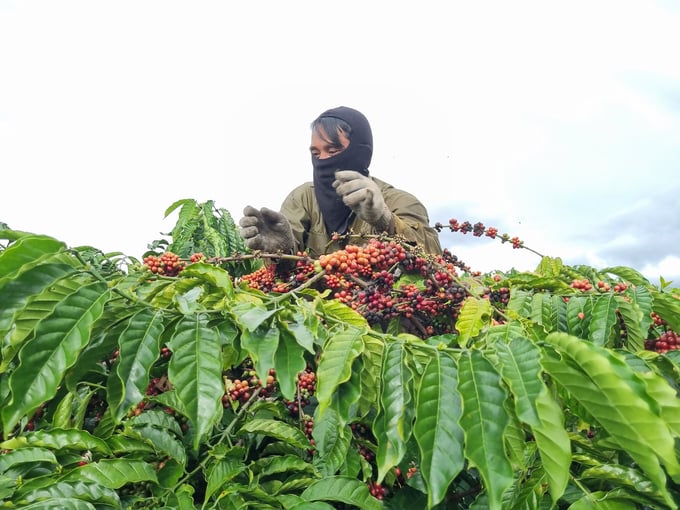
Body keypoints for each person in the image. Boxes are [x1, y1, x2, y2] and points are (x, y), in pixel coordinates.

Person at [238, 106, 442, 259]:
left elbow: (433, 259)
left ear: (361, 152)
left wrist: (384, 220)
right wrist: (281, 251)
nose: (323, 160)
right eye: (316, 153)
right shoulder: (302, 199)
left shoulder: (400, 201)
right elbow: (289, 273)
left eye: (333, 151)